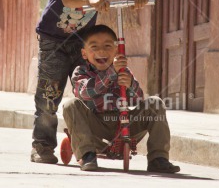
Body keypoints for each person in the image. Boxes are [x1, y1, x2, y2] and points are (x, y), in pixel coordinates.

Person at [31, 0, 149, 164]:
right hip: (54, 40)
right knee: (50, 94)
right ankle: (41, 145)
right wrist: (91, 0)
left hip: (84, 44)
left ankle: (84, 140)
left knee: (89, 92)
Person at [63, 25, 181, 173]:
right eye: (94, 47)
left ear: (117, 51)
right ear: (84, 54)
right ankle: (87, 155)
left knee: (155, 103)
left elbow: (137, 100)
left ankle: (158, 158)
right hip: (96, 126)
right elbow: (86, 92)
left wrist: (131, 84)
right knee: (70, 105)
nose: (101, 51)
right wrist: (111, 73)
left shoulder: (124, 71)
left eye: (107, 46)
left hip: (124, 124)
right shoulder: (81, 72)